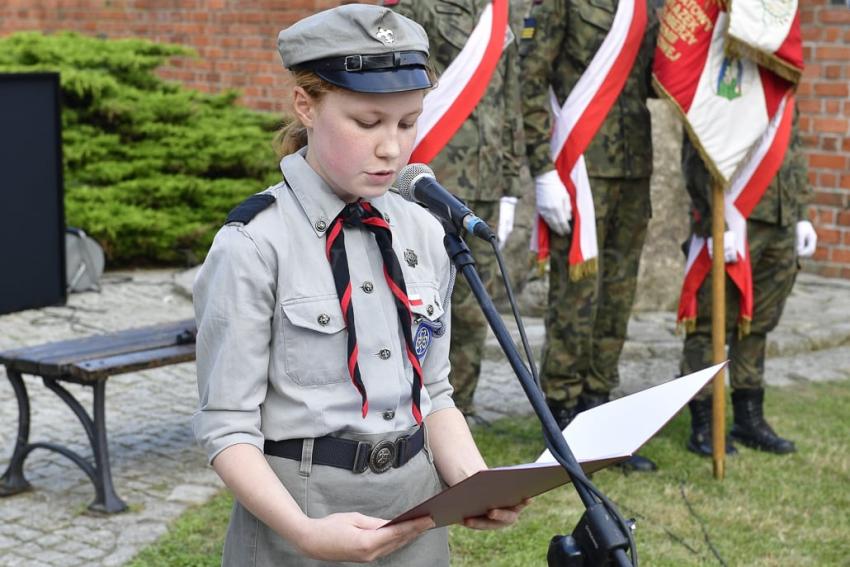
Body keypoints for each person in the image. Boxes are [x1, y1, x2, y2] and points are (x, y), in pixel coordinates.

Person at [192, 5, 526, 565]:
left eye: (407, 121)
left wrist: (472, 479)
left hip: (417, 511)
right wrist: (305, 531)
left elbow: (434, 393)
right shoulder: (254, 243)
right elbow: (227, 428)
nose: (392, 148)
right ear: (307, 105)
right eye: (367, 123)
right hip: (299, 518)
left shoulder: (423, 229)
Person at [520, 0, 659, 472]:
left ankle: (601, 413)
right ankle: (561, 416)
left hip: (633, 165)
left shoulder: (647, 6)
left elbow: (660, 78)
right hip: (580, 167)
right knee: (577, 299)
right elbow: (531, 76)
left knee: (618, 296)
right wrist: (542, 170)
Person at [382, 0, 527, 421]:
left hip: (486, 180)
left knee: (477, 302)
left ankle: (457, 407)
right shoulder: (416, 6)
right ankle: (405, 405)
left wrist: (511, 183)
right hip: (430, 176)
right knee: (419, 296)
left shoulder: (500, 11)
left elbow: (510, 98)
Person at [680, 116, 816, 457]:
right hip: (734, 213)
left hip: (781, 214)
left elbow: (791, 143)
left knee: (758, 322)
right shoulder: (726, 76)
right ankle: (705, 423)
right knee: (710, 321)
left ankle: (748, 416)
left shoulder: (782, 74)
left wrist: (800, 212)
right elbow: (698, 146)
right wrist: (714, 218)